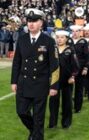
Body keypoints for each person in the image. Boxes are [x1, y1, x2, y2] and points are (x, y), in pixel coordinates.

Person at [11, 8, 59, 140]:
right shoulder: (22, 39)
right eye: (29, 21)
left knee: (38, 116)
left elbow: (54, 65)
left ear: (41, 23)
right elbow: (17, 62)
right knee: (21, 112)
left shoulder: (48, 41)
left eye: (34, 21)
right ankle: (34, 130)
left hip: (40, 84)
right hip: (23, 82)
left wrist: (54, 86)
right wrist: (14, 81)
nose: (31, 24)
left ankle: (37, 136)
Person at [48, 30, 79, 129]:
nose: (59, 39)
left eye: (62, 37)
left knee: (67, 102)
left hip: (67, 80)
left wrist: (72, 76)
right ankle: (52, 123)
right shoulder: (53, 49)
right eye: (58, 37)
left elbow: (75, 66)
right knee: (53, 102)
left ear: (66, 39)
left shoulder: (70, 50)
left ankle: (66, 123)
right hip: (54, 80)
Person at [70, 25, 89, 113]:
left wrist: (86, 68)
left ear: (80, 32)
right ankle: (68, 106)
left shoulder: (83, 42)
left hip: (80, 68)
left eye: (77, 31)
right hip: (69, 69)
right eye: (73, 31)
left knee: (79, 89)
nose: (75, 33)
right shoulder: (68, 41)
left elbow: (87, 56)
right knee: (68, 90)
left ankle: (77, 107)